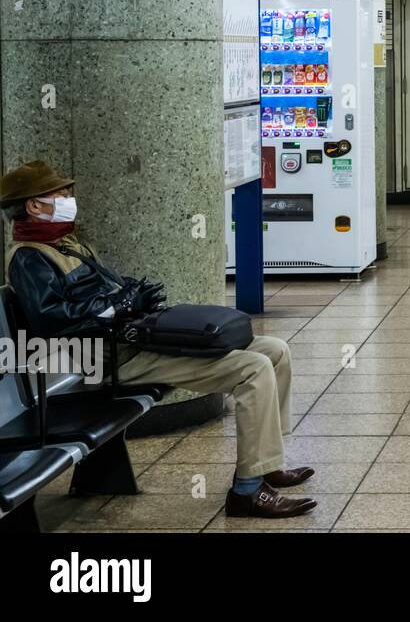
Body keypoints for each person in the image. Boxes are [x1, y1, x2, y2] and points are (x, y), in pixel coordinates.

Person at [1, 160, 317, 519]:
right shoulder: (29, 258)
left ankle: (266, 462)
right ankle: (247, 490)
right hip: (108, 359)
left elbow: (104, 293)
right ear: (34, 206)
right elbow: (52, 320)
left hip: (130, 343)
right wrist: (115, 308)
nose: (68, 198)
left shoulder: (67, 243)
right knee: (253, 368)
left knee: (275, 350)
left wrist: (130, 297)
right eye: (59, 194)